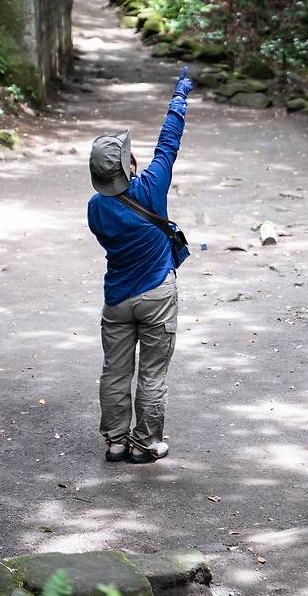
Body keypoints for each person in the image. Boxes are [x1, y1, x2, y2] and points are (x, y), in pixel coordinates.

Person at [87, 66, 194, 464]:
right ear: (128, 166)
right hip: (156, 295)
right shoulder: (150, 187)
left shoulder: (96, 208)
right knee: (151, 374)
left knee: (115, 372)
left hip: (117, 299)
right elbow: (169, 144)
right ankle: (145, 443)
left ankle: (115, 441)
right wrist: (178, 100)